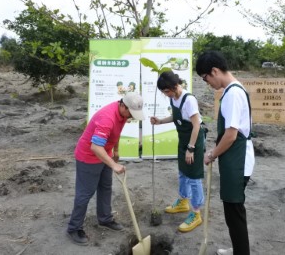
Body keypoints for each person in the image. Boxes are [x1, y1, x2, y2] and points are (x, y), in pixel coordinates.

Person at [66, 92, 145, 246]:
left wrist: (115, 150)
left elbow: (115, 134)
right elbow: (95, 146)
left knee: (105, 187)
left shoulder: (122, 114)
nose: (131, 116)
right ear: (123, 105)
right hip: (88, 157)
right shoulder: (107, 117)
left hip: (105, 155)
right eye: (131, 113)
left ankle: (105, 219)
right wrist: (114, 164)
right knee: (85, 193)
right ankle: (74, 228)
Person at [196, 51, 255, 255]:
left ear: (214, 71)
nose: (207, 83)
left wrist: (212, 154)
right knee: (232, 212)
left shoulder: (233, 94)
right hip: (235, 158)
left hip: (238, 162)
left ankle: (241, 252)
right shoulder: (234, 91)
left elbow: (231, 135)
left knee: (234, 212)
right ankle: (239, 248)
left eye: (206, 78)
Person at [150, 70, 205, 233]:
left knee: (194, 177)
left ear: (175, 86)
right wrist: (160, 121)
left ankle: (196, 213)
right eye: (163, 92)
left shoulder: (189, 100)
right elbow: (176, 117)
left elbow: (196, 126)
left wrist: (191, 149)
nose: (166, 94)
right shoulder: (174, 98)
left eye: (167, 91)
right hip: (183, 139)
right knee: (182, 172)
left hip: (194, 141)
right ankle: (183, 202)